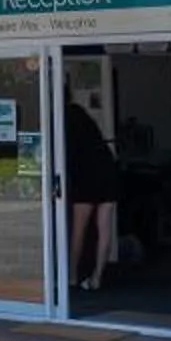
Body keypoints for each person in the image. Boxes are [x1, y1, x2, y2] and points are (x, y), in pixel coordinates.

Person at [63, 97, 119, 293]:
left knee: (79, 230)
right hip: (107, 170)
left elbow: (66, 154)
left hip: (85, 175)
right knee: (104, 228)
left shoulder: (64, 121)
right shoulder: (82, 116)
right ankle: (97, 277)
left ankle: (70, 276)